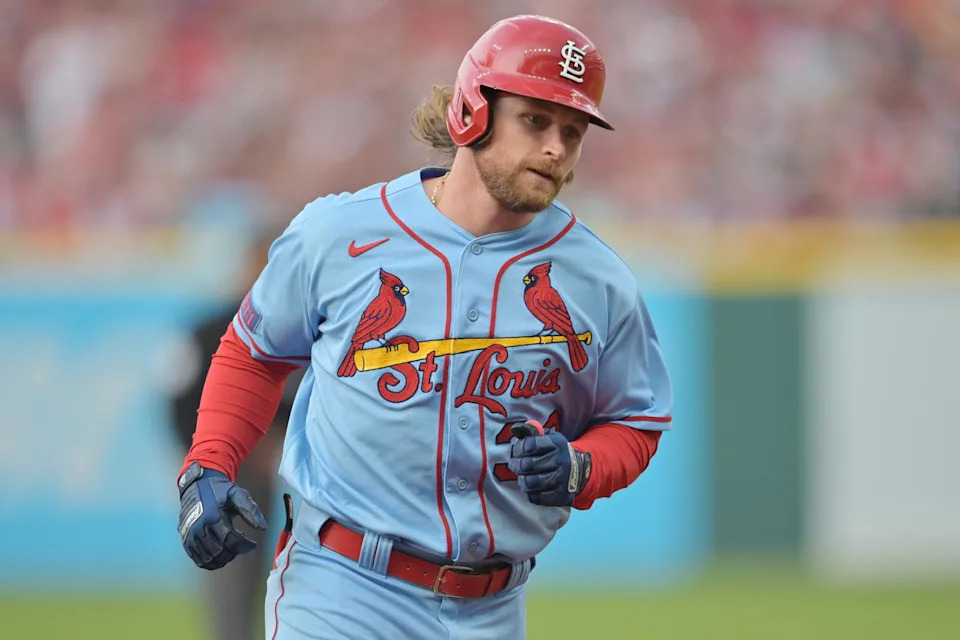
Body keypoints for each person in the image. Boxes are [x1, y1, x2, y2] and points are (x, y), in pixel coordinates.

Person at [175, 14, 673, 640]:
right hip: (341, 591)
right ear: (472, 112)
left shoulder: (599, 279)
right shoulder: (339, 233)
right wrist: (210, 463)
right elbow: (254, 352)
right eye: (535, 120)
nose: (556, 148)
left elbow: (636, 420)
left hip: (494, 607)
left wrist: (582, 467)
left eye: (572, 133)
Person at [169, 233, 302, 640]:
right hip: (221, 475)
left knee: (269, 576)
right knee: (228, 575)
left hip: (272, 474)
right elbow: (178, 400)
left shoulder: (298, 329)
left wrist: (277, 444)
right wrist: (199, 461)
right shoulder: (211, 329)